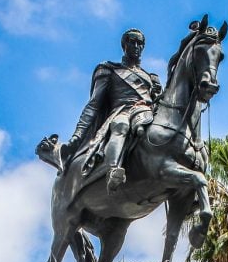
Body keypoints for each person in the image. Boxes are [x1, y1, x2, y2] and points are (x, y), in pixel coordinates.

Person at [61, 28, 162, 193]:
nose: (136, 46)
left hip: (146, 114)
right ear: (124, 45)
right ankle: (113, 171)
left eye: (139, 43)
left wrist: (158, 93)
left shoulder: (150, 77)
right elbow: (94, 104)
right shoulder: (109, 69)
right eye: (132, 42)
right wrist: (77, 136)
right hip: (121, 112)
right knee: (120, 125)